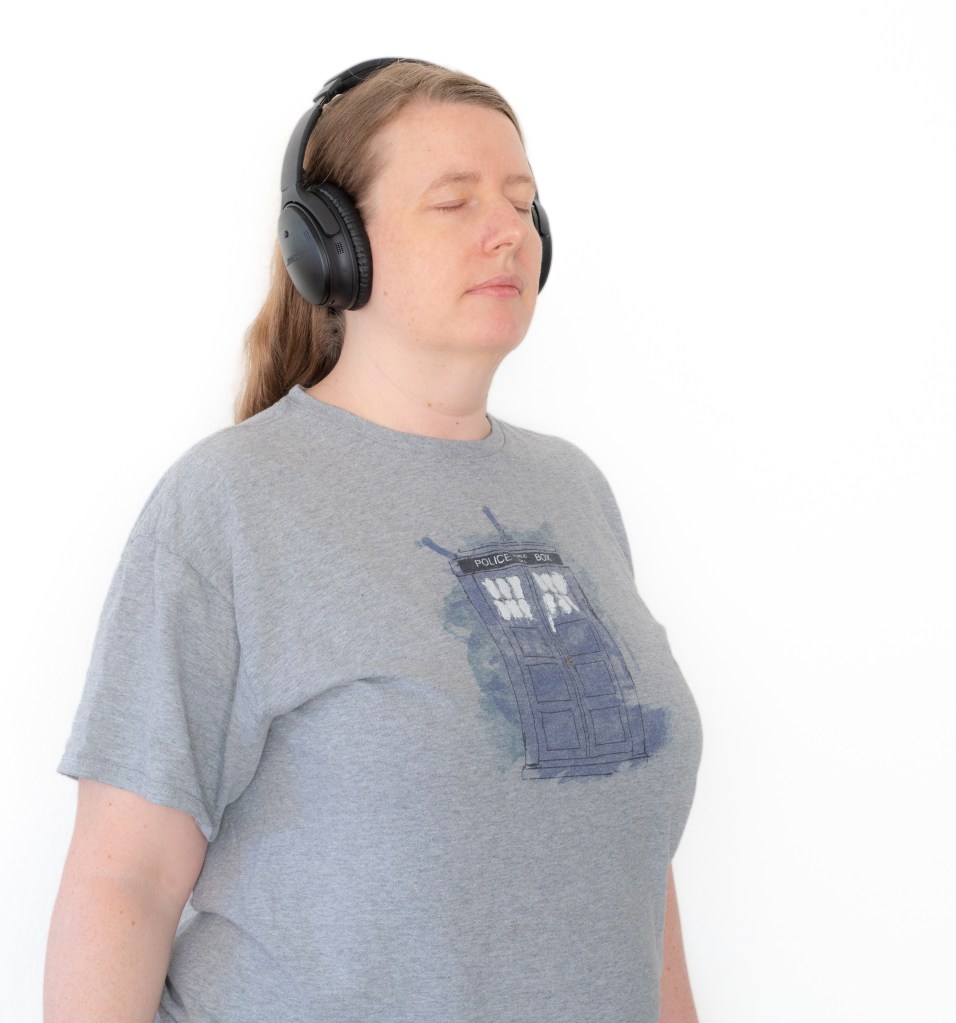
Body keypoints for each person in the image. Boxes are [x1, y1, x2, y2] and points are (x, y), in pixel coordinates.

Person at [44, 58, 703, 1023]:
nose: (507, 230)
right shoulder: (231, 503)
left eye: (523, 203)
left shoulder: (573, 493)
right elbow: (125, 880)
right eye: (455, 201)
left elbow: (629, 862)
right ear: (333, 247)